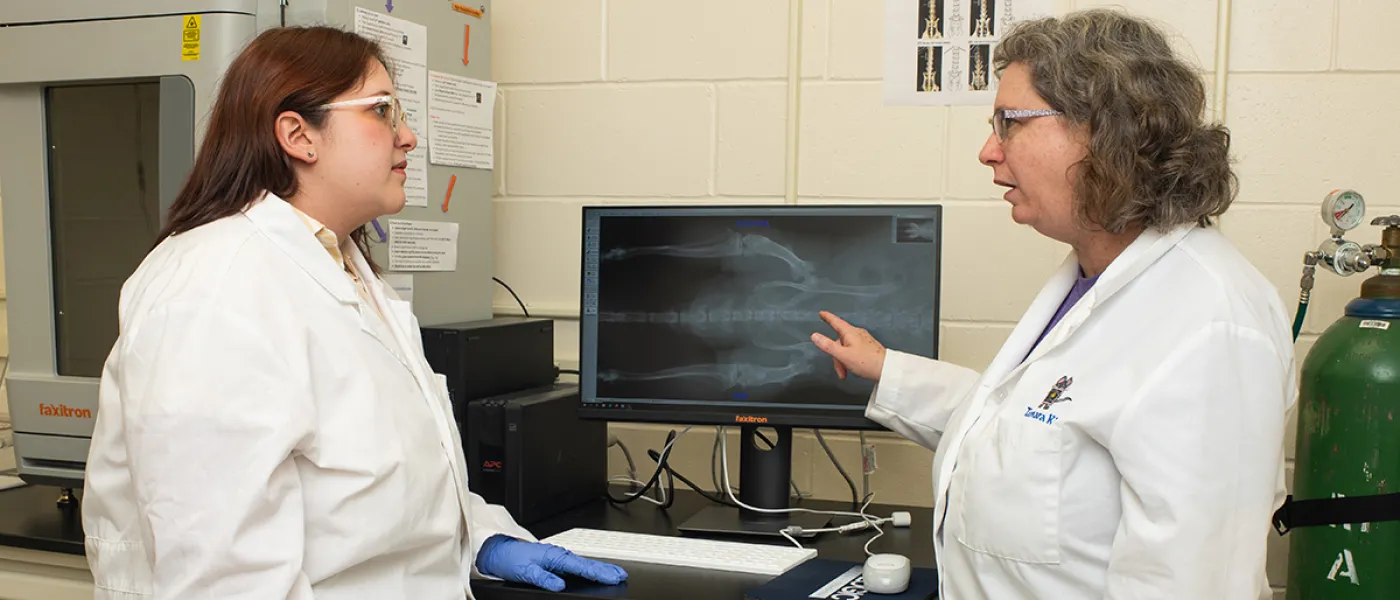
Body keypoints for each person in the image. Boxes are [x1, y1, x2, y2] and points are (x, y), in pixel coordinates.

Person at [81, 26, 625, 599]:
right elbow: (218, 575)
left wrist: (481, 537)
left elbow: (370, 485)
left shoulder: (345, 271)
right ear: (298, 135)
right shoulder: (216, 285)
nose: (409, 137)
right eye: (383, 111)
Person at [811, 9, 1294, 600]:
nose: (988, 151)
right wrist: (888, 368)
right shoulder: (1090, 277)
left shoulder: (1210, 324)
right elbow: (1037, 430)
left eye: (1009, 122)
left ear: (1106, 132)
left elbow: (1193, 584)